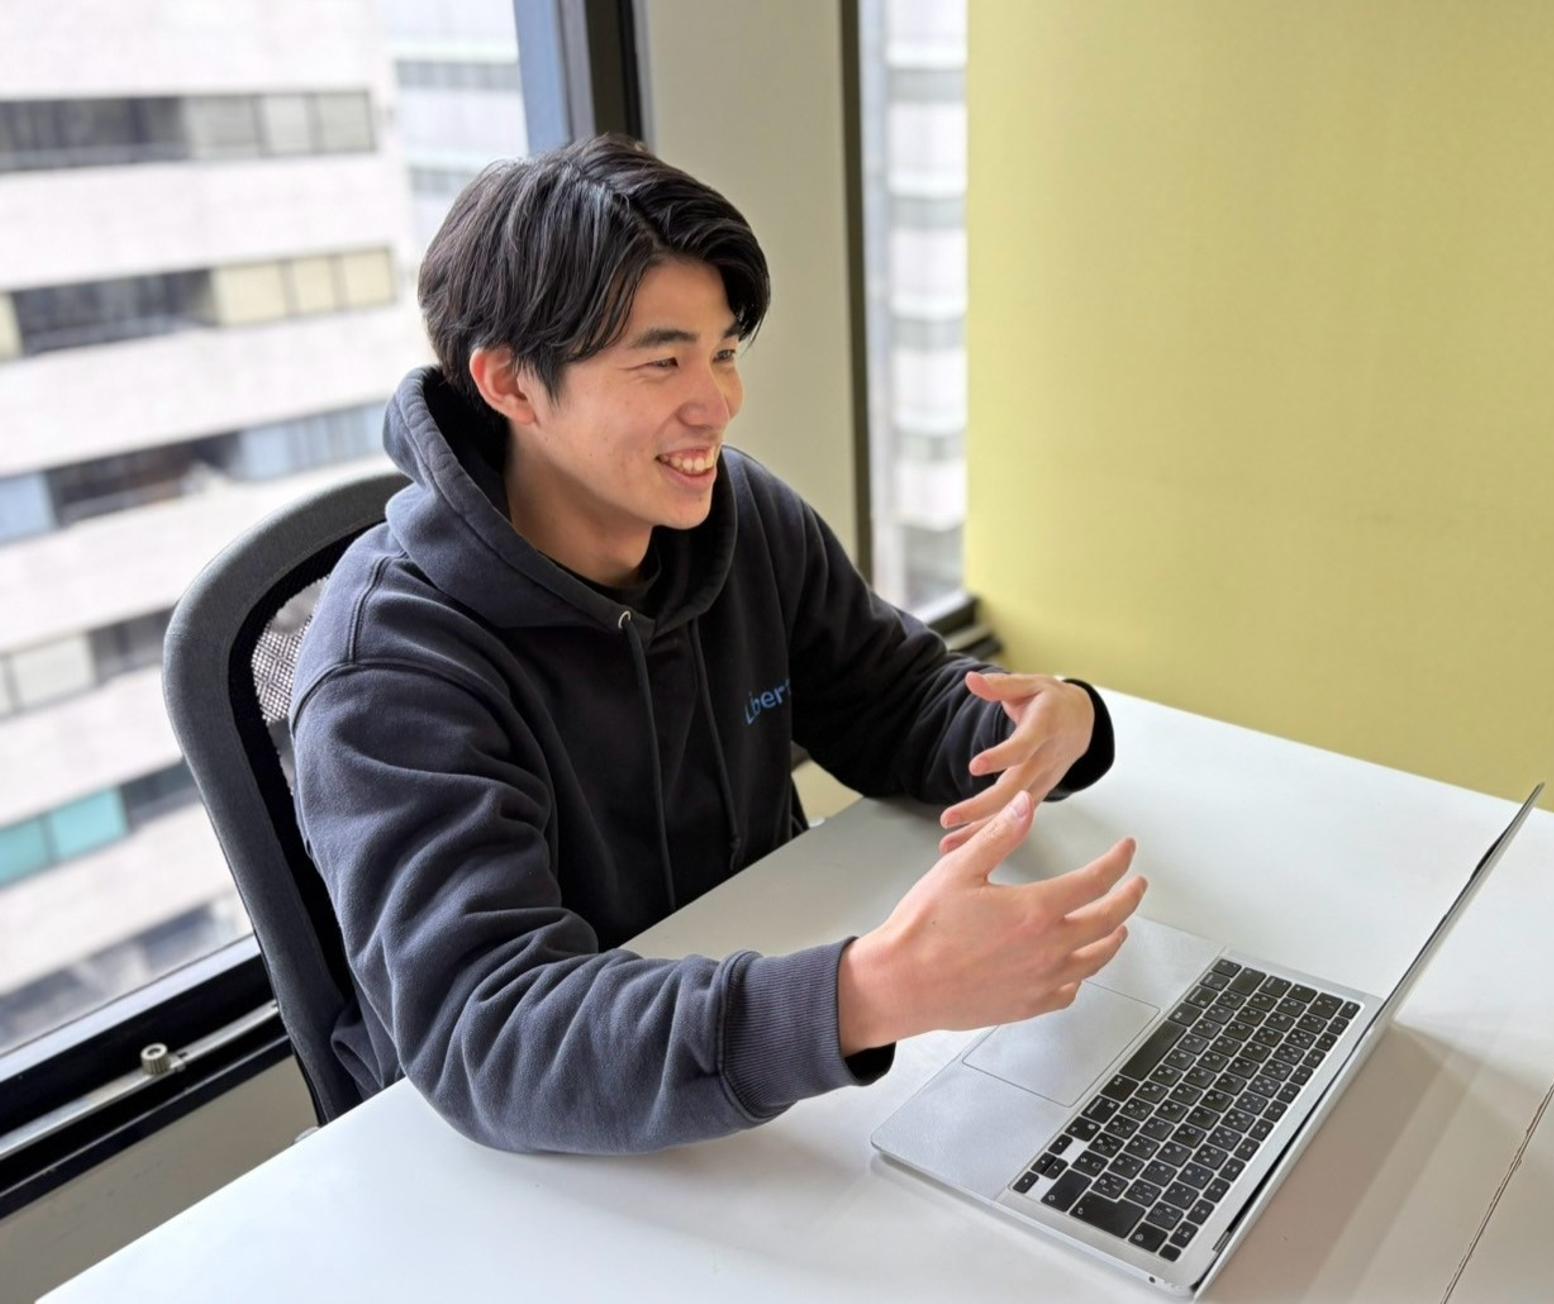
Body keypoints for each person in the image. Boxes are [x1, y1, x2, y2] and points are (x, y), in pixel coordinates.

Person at [290, 135, 1146, 1154]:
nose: (719, 403)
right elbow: (498, 1033)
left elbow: (893, 699)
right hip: (541, 1164)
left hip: (759, 1078)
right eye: (663, 361)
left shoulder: (737, 519)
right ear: (511, 383)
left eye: (724, 352)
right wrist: (864, 993)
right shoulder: (388, 670)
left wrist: (1046, 721)